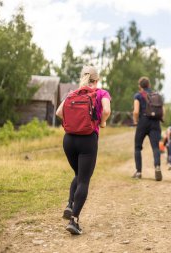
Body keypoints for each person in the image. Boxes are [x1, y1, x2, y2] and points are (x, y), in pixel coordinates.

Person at [56, 66, 111, 235]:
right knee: (84, 180)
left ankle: (69, 204)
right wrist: (101, 122)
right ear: (97, 79)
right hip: (87, 139)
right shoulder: (102, 93)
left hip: (69, 140)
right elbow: (107, 110)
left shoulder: (73, 93)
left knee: (79, 175)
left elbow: (59, 112)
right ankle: (74, 221)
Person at [132, 76, 163, 181]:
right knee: (155, 147)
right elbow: (163, 111)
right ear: (149, 85)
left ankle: (139, 172)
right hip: (155, 122)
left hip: (143, 121)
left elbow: (136, 111)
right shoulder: (156, 95)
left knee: (137, 147)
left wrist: (136, 121)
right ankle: (157, 166)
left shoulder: (138, 95)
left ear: (140, 86)